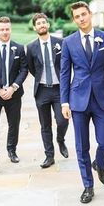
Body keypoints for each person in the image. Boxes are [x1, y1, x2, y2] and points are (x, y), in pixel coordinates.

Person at [60, 1, 104, 204]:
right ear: (74, 19)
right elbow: (65, 73)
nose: (81, 18)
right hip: (78, 101)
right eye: (77, 16)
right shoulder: (68, 42)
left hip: (102, 99)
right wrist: (64, 102)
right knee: (81, 146)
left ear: (90, 14)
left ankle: (100, 163)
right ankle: (88, 185)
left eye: (84, 14)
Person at [0, 16, 28, 169]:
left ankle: (12, 150)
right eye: (2, 29)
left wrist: (13, 87)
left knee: (13, 124)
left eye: (7, 29)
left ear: (10, 29)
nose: (5, 32)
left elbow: (24, 70)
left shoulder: (19, 48)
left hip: (14, 94)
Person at [26, 13, 69, 169]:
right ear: (35, 27)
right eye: (38, 23)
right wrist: (41, 79)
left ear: (48, 25)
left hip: (60, 90)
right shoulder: (31, 47)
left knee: (63, 120)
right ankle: (49, 156)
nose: (42, 25)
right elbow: (31, 68)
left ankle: (60, 139)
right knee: (45, 125)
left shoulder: (61, 43)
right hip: (42, 90)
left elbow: (67, 64)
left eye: (44, 22)